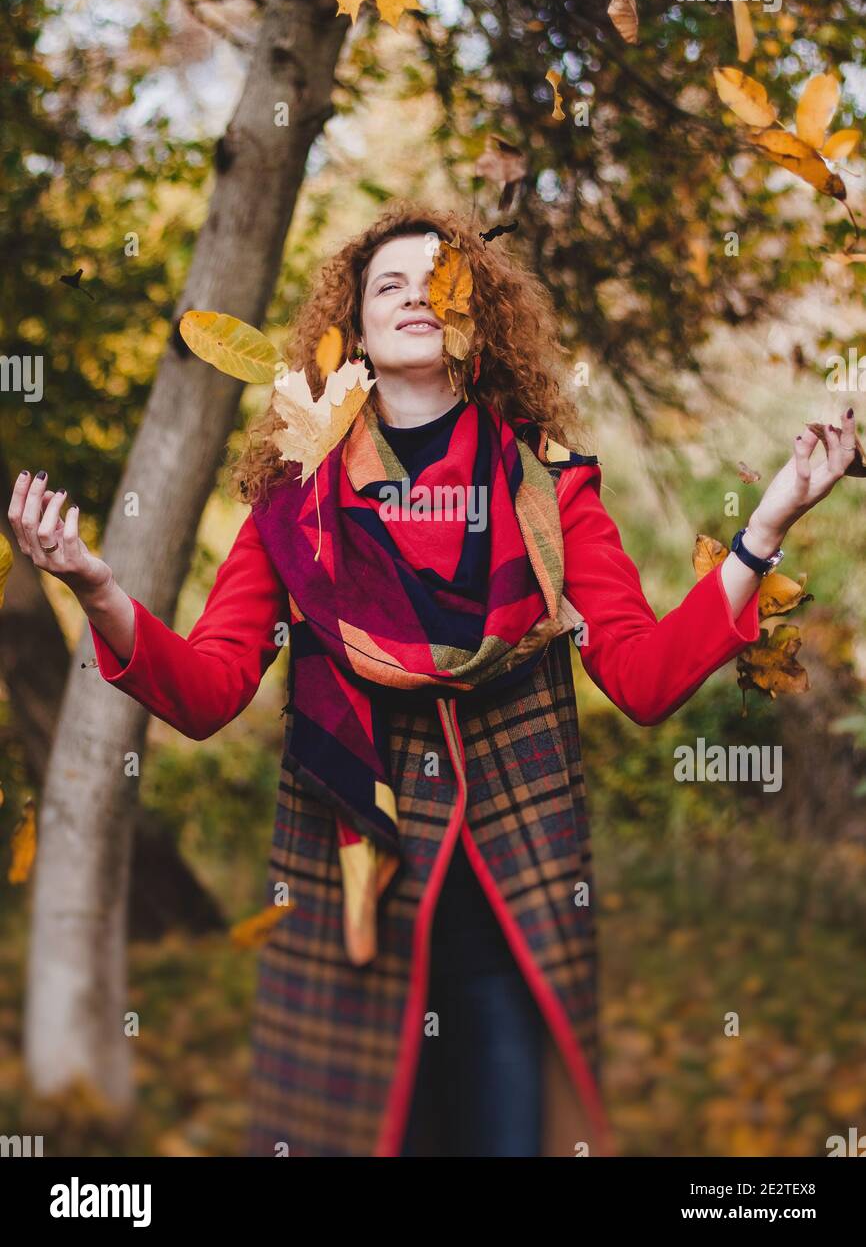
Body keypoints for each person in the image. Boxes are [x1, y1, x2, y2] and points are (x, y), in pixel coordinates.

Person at [8, 203, 857, 1157]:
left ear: (474, 318)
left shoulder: (551, 483)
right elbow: (207, 692)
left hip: (513, 912)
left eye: (438, 283)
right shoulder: (295, 503)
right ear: (354, 329)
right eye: (389, 286)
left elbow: (646, 677)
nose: (415, 298)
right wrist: (96, 584)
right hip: (347, 911)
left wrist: (766, 526)